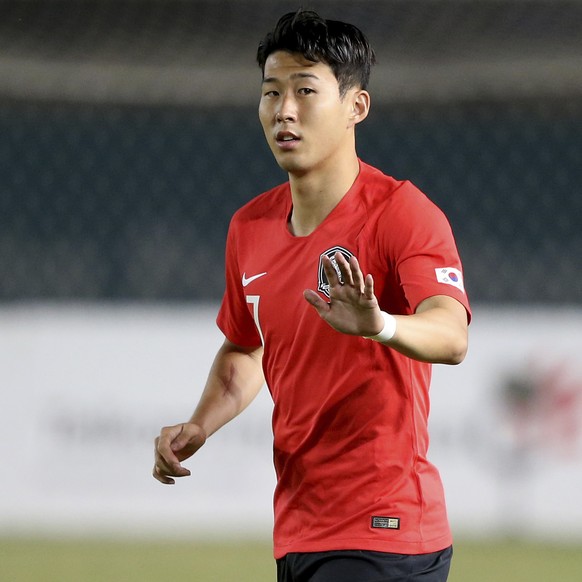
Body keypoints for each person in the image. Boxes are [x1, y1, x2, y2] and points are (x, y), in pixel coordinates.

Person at [153, 9, 470, 582]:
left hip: (386, 531)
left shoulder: (402, 213)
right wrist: (201, 424)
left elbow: (451, 336)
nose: (284, 111)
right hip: (299, 527)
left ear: (356, 107)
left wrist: (381, 326)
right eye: (271, 93)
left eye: (305, 90)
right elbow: (245, 349)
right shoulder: (249, 227)